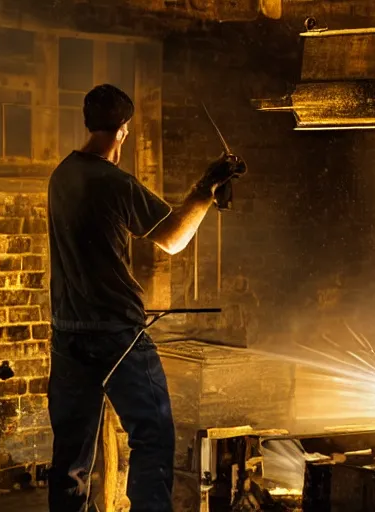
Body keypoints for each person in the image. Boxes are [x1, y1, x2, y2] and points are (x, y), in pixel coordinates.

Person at [46, 84, 246, 512]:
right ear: (124, 129)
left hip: (67, 334)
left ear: (88, 122)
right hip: (117, 334)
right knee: (153, 436)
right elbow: (172, 238)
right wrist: (206, 188)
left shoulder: (61, 175)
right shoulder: (114, 182)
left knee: (70, 458)